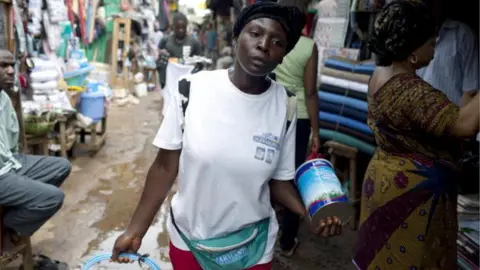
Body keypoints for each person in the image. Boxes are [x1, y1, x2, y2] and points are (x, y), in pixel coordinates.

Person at [111, 2, 342, 270]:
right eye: (255, 34)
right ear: (236, 39)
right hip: (192, 241)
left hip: (253, 247)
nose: (264, 44)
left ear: (282, 56)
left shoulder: (286, 105)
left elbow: (279, 182)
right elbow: (165, 167)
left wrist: (310, 213)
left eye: (277, 41)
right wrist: (135, 231)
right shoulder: (191, 89)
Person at [353, 1, 479, 269]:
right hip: (413, 194)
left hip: (385, 178)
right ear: (412, 51)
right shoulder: (411, 91)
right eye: (431, 44)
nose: (434, 51)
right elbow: (466, 124)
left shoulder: (379, 75)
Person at [0, 50, 71, 265]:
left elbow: (11, 141)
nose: (11, 70)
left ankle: (11, 222)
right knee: (52, 197)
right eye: (3, 66)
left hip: (9, 163)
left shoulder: (4, 98)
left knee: (61, 166)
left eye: (12, 65)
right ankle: (9, 227)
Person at [273, 0, 320, 257]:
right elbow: (310, 92)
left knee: (269, 174)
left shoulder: (273, 41)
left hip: (271, 112)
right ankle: (288, 241)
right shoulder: (308, 47)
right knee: (290, 178)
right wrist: (317, 131)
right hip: (299, 117)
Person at [417, 0, 479, 106]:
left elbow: (471, 92)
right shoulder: (407, 36)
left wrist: (459, 121)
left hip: (456, 119)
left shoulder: (462, 35)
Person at [157, 12, 202, 88]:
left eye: (183, 28)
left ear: (186, 27)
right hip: (170, 78)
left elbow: (200, 62)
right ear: (173, 27)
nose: (181, 30)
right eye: (178, 28)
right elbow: (158, 58)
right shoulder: (165, 41)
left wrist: (195, 66)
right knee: (162, 59)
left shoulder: (194, 43)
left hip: (187, 77)